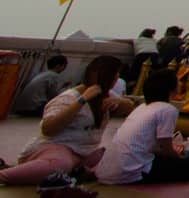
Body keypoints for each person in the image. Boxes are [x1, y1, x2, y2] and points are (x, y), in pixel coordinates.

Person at [0, 55, 132, 185]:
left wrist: (119, 101)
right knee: (61, 164)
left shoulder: (105, 96)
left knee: (117, 156)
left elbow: (129, 107)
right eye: (114, 77)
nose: (116, 81)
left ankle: (75, 171)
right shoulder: (68, 98)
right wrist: (82, 100)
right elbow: (48, 129)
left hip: (84, 153)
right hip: (56, 149)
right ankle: (5, 175)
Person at [95, 69, 189, 185]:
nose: (180, 84)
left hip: (107, 170)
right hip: (131, 171)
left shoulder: (142, 107)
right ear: (170, 87)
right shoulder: (168, 109)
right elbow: (166, 148)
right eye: (178, 81)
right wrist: (179, 156)